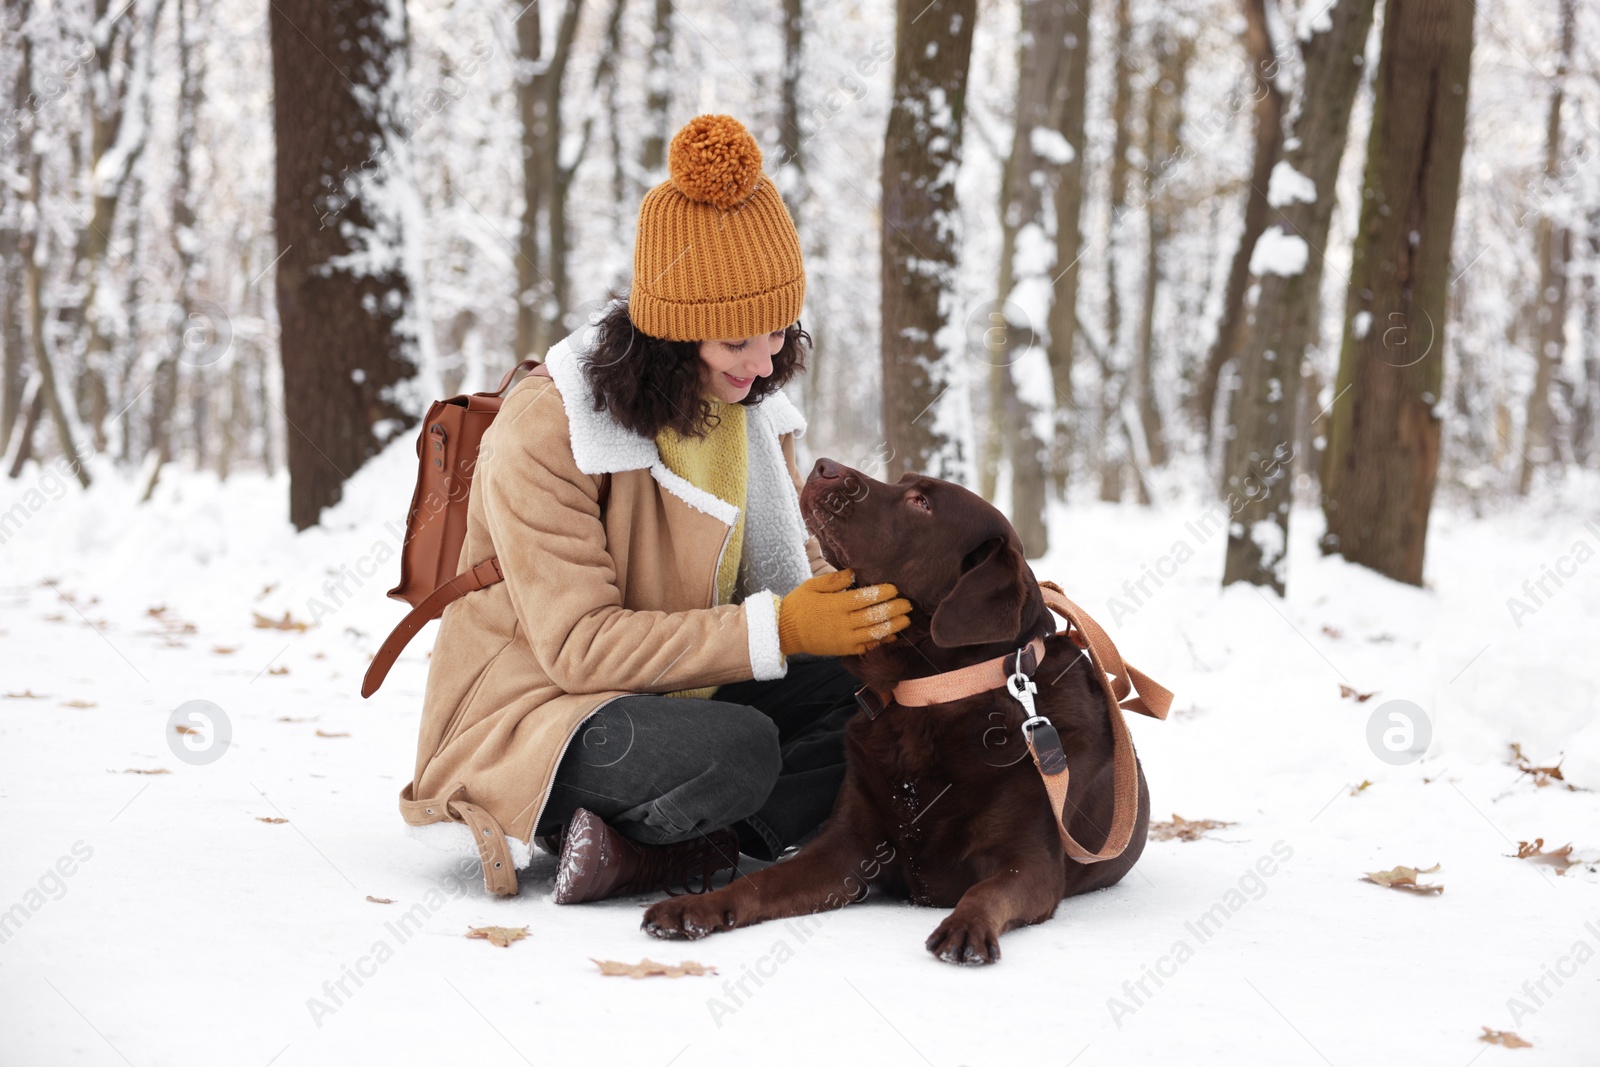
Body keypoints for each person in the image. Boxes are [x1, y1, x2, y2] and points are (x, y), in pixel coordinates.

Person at [401, 114, 912, 904]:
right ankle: (717, 827)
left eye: (777, 330)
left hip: (687, 686)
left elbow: (790, 574)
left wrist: (878, 610)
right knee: (740, 749)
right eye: (738, 341)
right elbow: (578, 646)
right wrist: (782, 629)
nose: (766, 360)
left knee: (878, 694)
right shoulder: (551, 426)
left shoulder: (749, 405)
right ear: (675, 335)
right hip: (546, 708)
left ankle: (679, 849)